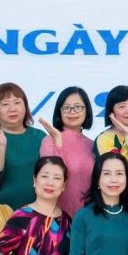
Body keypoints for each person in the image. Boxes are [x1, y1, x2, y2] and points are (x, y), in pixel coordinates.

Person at [0, 81, 48, 210]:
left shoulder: (40, 137)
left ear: (25, 107)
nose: (12, 109)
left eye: (17, 102)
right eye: (5, 104)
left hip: (36, 211)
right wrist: (1, 146)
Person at [38, 86, 95, 215]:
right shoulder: (49, 141)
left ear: (86, 111)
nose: (72, 112)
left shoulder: (92, 144)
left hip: (86, 216)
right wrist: (58, 142)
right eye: (66, 108)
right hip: (56, 216)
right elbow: (51, 177)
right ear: (59, 112)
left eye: (78, 107)